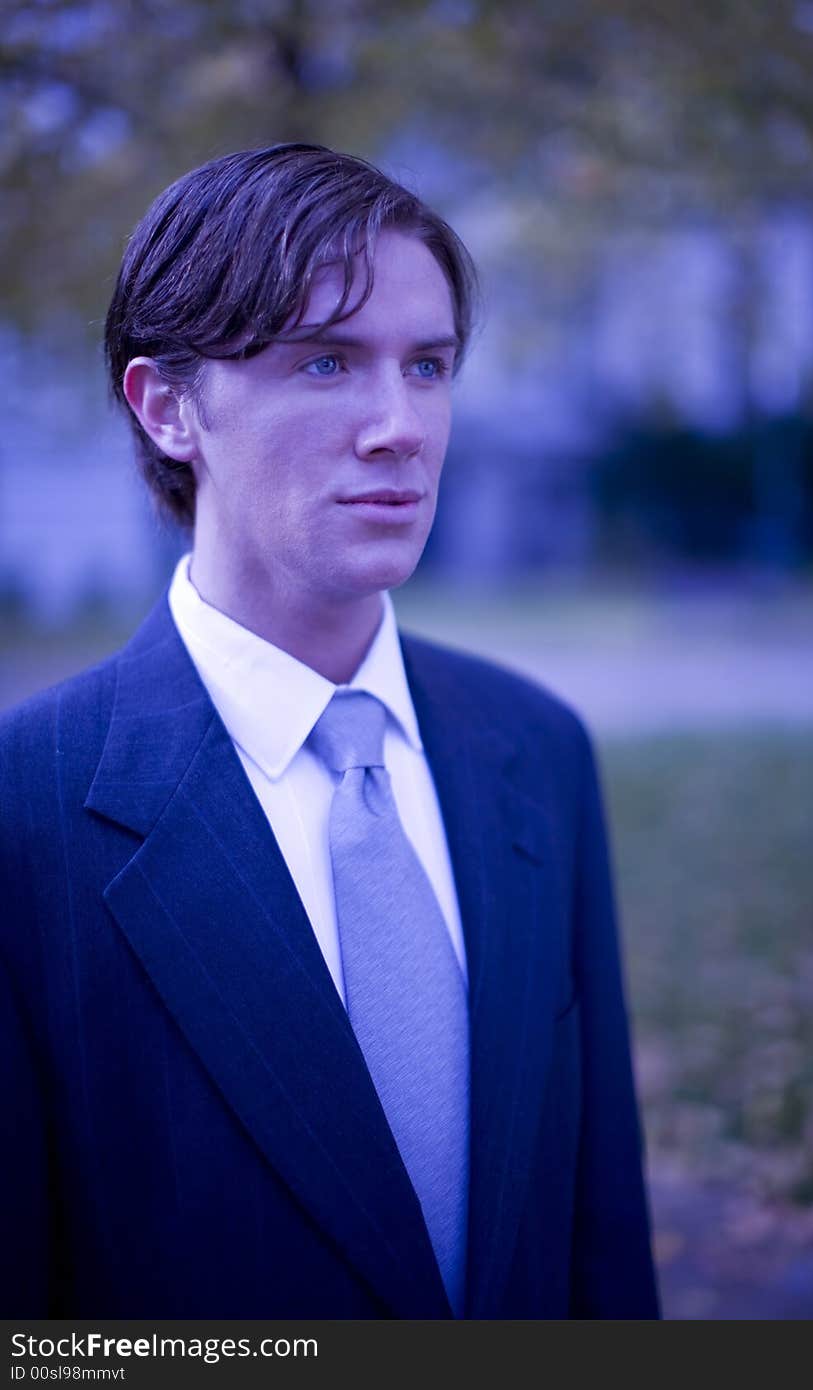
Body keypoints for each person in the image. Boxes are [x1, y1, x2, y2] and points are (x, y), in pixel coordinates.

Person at [1, 143, 659, 1320]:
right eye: (324, 362)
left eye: (428, 364)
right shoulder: (26, 808)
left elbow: (600, 1235)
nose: (399, 424)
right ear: (167, 407)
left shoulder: (537, 749)